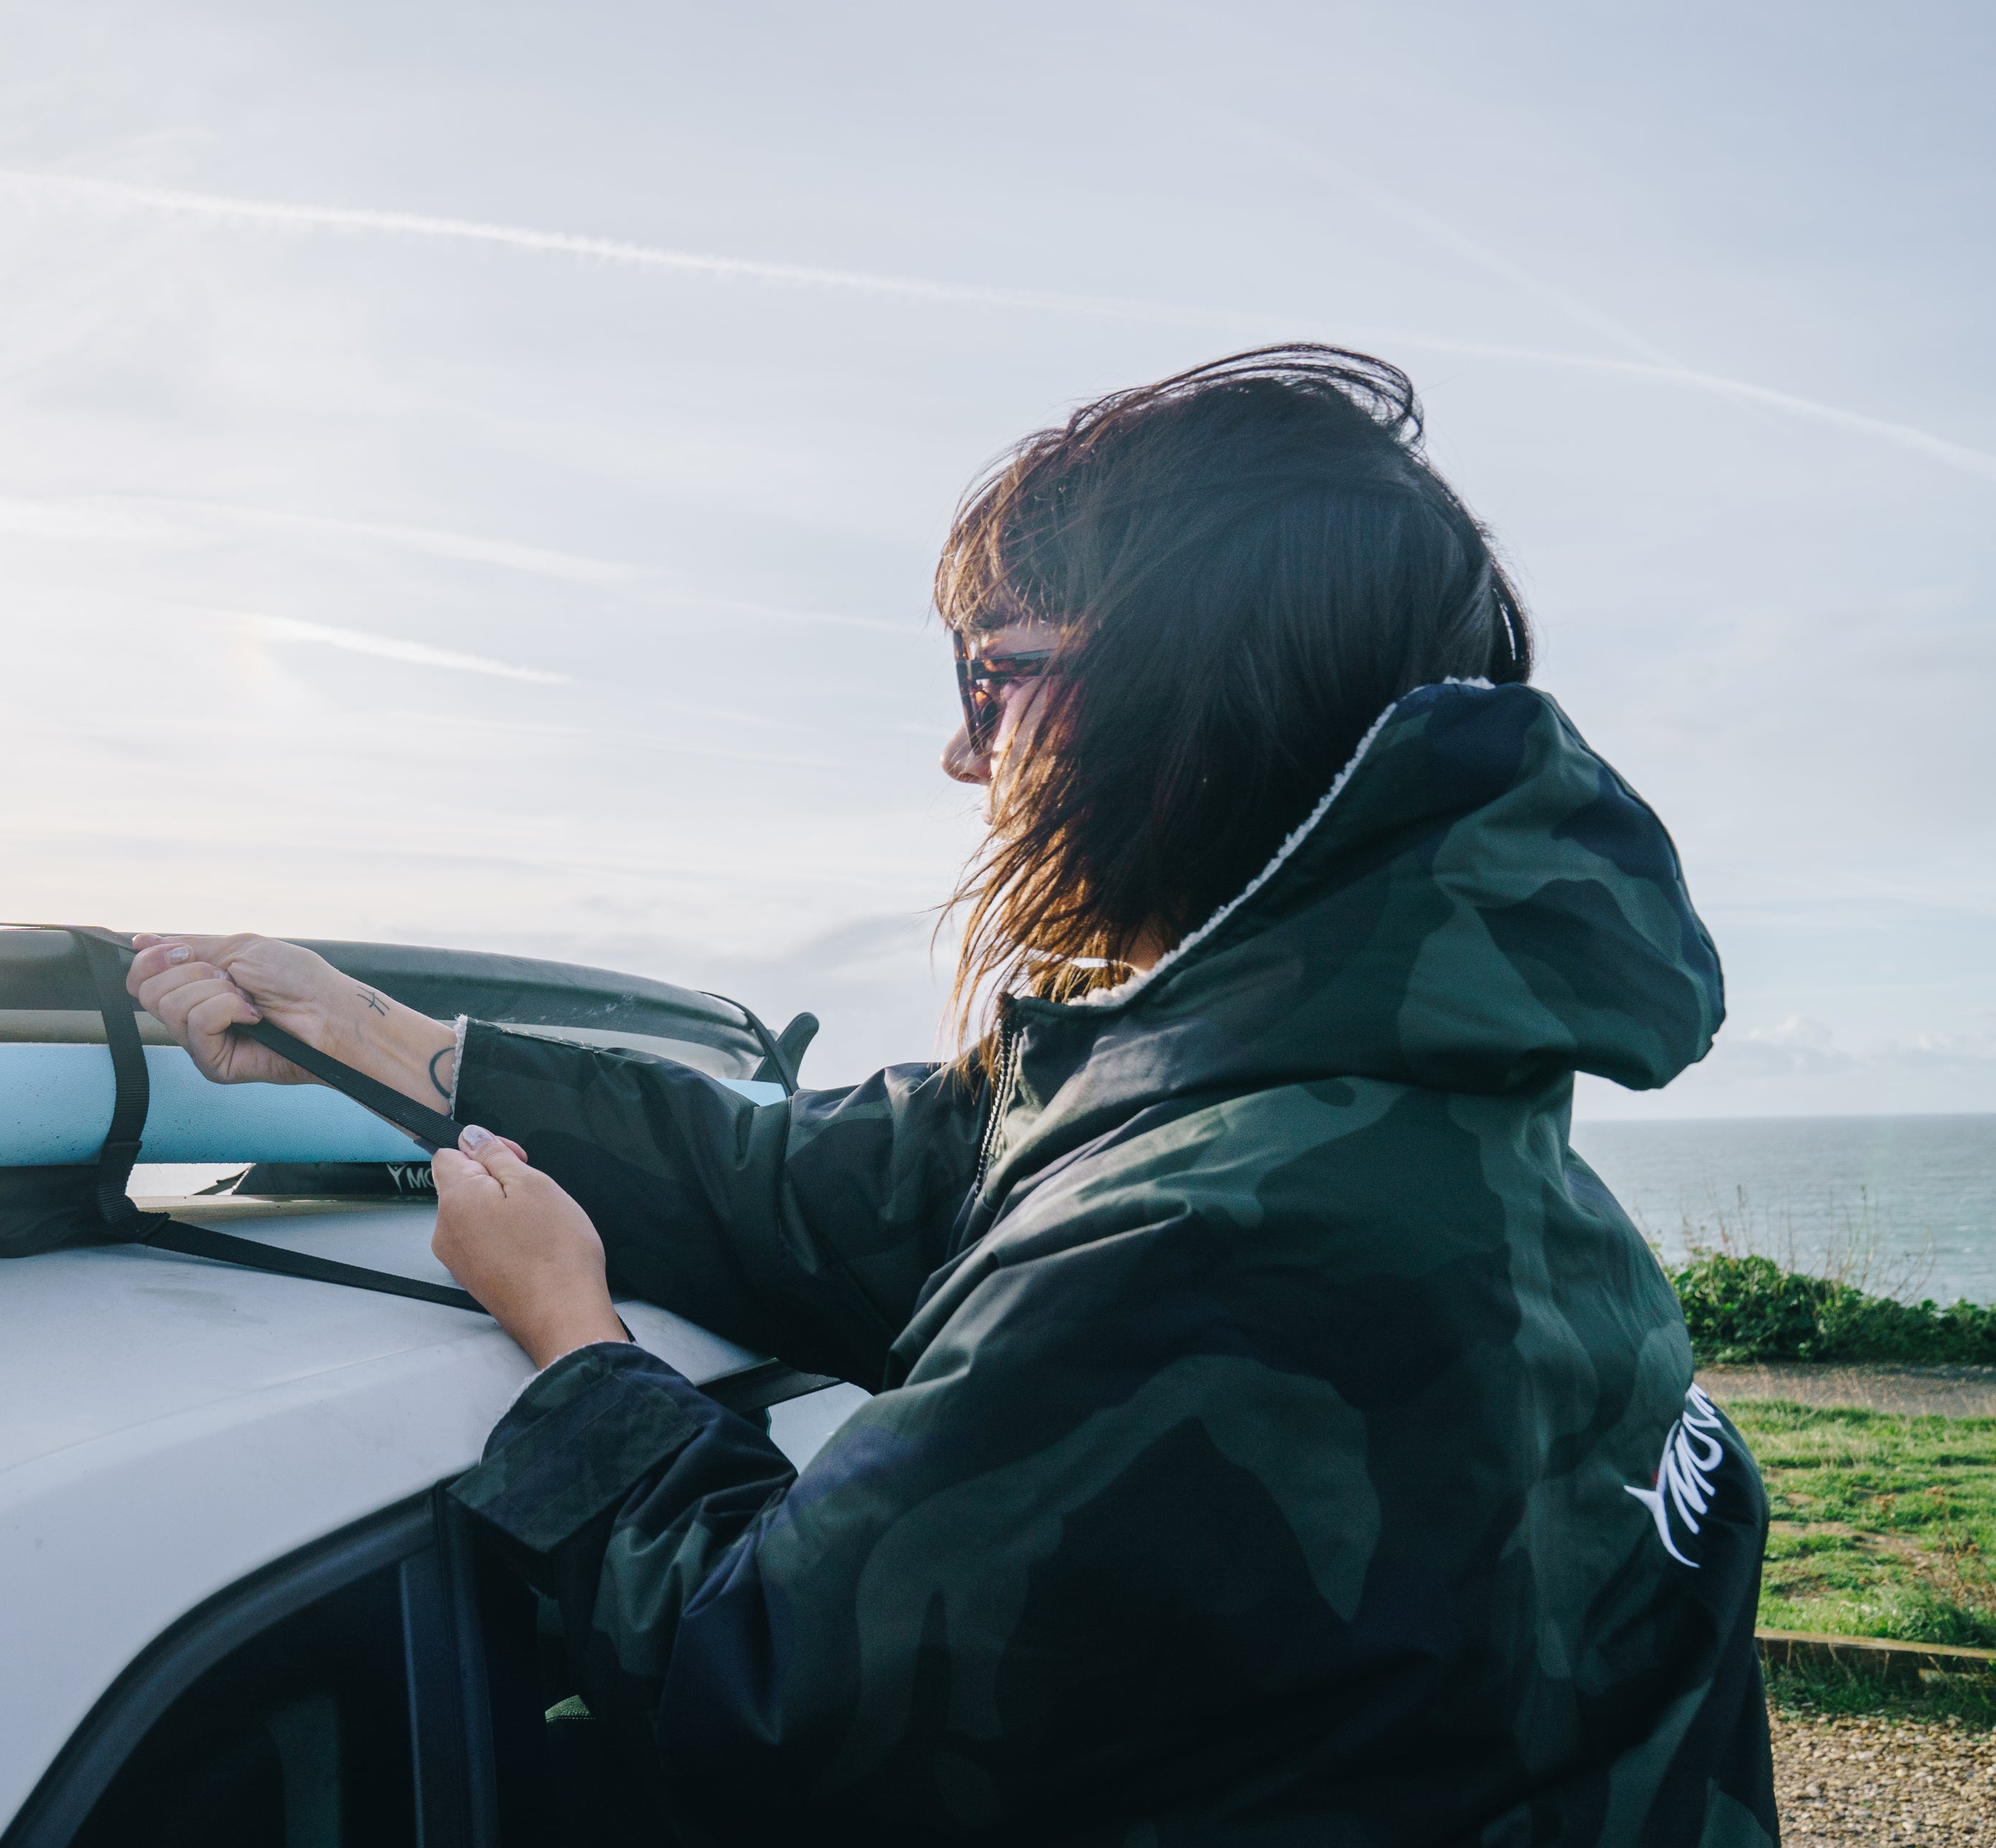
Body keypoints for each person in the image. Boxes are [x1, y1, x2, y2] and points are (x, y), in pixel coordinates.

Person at [128, 346, 1775, 1845]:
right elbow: (816, 1181)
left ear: (1185, 705)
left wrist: (574, 1345)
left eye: (994, 676)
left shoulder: (1228, 1235)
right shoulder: (1359, 1087)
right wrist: (397, 1048)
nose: (964, 754)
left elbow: (763, 1689)